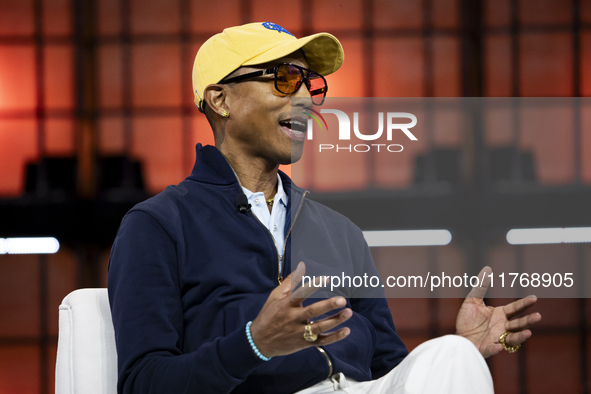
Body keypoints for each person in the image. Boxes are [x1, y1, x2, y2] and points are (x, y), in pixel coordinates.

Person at [108, 22, 541, 394]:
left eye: (309, 84)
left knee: (448, 352)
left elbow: (387, 369)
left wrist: (457, 357)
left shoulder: (341, 231)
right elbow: (143, 381)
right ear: (220, 100)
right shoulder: (158, 225)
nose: (305, 100)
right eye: (283, 78)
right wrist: (254, 344)